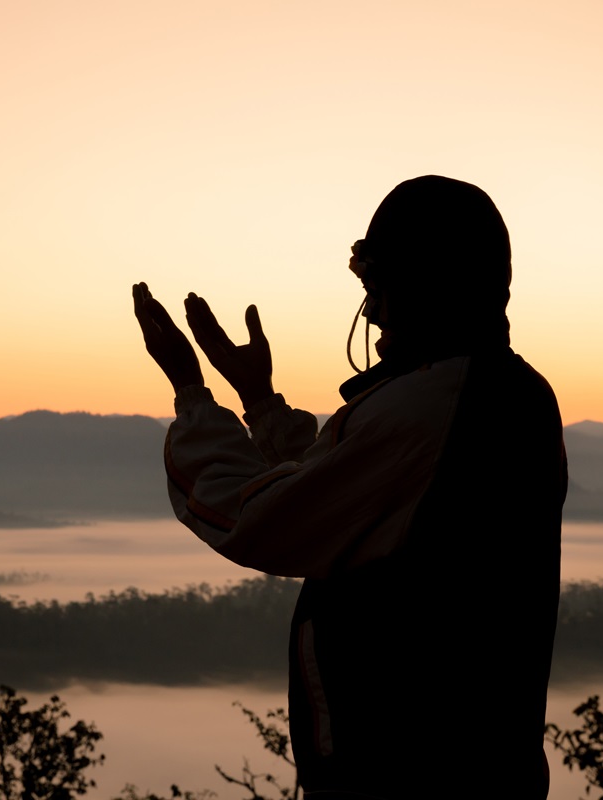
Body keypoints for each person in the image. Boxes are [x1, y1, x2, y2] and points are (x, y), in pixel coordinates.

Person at [132, 175, 566, 798]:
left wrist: (191, 393)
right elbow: (342, 488)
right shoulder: (512, 392)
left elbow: (264, 521)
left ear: (417, 288)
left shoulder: (432, 404)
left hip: (403, 771)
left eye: (377, 287)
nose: (373, 310)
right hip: (484, 762)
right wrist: (258, 399)